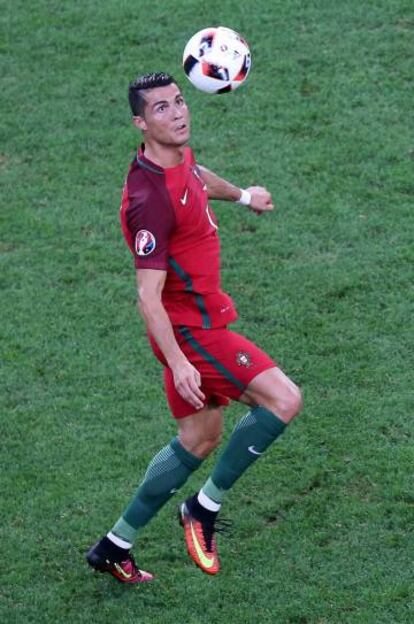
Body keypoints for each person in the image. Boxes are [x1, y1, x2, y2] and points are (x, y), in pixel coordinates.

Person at [86, 72, 302, 583]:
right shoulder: (148, 200)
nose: (178, 113)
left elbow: (196, 177)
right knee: (283, 400)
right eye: (161, 109)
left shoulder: (173, 156)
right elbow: (147, 296)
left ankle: (115, 545)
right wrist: (180, 362)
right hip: (193, 332)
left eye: (179, 101)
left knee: (199, 437)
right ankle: (202, 509)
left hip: (196, 326)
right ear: (140, 123)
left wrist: (245, 196)